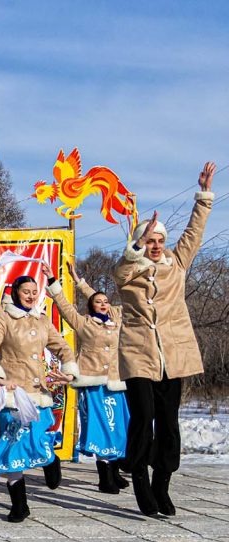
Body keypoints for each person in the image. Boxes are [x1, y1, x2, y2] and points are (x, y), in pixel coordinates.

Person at [115, 162, 216, 517]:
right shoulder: (129, 272)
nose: (156, 245)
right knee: (143, 415)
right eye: (149, 241)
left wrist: (202, 195)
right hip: (139, 355)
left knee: (169, 421)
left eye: (159, 240)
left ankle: (162, 482)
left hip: (174, 355)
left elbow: (194, 233)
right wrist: (136, 246)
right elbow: (123, 268)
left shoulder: (177, 263)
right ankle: (139, 476)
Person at [0, 273, 78, 522]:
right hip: (12, 394)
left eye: (35, 292)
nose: (31, 296)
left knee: (36, 439)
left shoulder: (43, 321)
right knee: (12, 450)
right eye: (26, 291)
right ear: (15, 292)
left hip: (37, 394)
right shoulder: (3, 318)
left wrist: (68, 371)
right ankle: (19, 506)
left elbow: (63, 348)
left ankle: (50, 460)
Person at [43, 262, 129, 494]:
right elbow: (63, 306)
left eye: (106, 301)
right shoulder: (83, 322)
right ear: (91, 306)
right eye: (97, 302)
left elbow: (104, 300)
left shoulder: (117, 319)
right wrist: (53, 282)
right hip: (93, 383)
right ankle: (105, 476)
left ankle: (114, 470)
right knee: (100, 427)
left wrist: (82, 283)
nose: (103, 304)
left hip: (116, 382)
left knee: (117, 427)